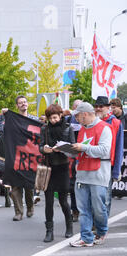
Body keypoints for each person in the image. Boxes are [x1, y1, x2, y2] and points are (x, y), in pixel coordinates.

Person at [70, 102, 112, 247]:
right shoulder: (83, 129)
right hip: (82, 173)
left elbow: (104, 150)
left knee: (98, 208)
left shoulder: (104, 128)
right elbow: (83, 149)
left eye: (78, 116)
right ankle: (86, 237)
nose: (77, 119)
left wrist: (83, 147)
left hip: (98, 173)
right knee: (83, 209)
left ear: (85, 114)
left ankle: (101, 231)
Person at [39, 104, 75, 242]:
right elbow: (40, 146)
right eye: (50, 118)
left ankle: (69, 226)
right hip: (49, 168)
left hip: (63, 167)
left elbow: (73, 148)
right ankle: (49, 231)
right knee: (48, 201)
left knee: (63, 200)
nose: (53, 120)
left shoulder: (68, 128)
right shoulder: (45, 128)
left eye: (55, 117)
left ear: (60, 116)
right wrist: (44, 149)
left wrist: (63, 149)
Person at [7, 95, 38, 221]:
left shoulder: (34, 120)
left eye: (25, 102)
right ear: (17, 106)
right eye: (20, 103)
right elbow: (2, 131)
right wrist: (6, 116)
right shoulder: (12, 119)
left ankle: (30, 207)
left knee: (28, 185)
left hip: (29, 157)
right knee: (15, 186)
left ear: (28, 104)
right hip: (15, 156)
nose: (23, 104)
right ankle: (18, 212)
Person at [94, 96, 124, 216]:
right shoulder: (92, 121)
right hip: (92, 163)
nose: (98, 109)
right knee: (93, 196)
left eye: (101, 106)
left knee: (105, 197)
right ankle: (96, 222)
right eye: (96, 106)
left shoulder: (116, 123)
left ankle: (102, 226)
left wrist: (116, 170)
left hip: (107, 164)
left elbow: (119, 147)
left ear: (108, 108)